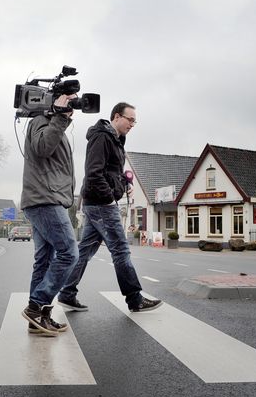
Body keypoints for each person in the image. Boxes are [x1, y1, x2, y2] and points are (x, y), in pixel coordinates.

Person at [57, 102, 162, 313]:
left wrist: (126, 182)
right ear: (116, 117)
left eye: (135, 121)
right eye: (130, 119)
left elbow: (112, 170)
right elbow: (94, 172)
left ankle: (67, 293)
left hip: (96, 203)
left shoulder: (116, 139)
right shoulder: (102, 137)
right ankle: (134, 299)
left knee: (85, 250)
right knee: (121, 250)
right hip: (101, 204)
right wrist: (109, 198)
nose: (133, 124)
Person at [20, 94, 80, 337]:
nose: (73, 106)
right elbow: (43, 147)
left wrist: (60, 118)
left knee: (44, 261)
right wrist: (58, 116)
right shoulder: (40, 121)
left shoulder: (55, 124)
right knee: (69, 252)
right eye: (70, 101)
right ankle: (35, 307)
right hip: (45, 199)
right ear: (55, 101)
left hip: (48, 198)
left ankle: (39, 318)